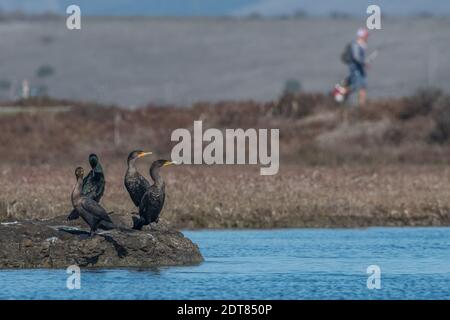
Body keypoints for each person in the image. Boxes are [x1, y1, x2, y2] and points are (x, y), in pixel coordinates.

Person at [348, 27, 369, 106]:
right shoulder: (356, 45)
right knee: (356, 86)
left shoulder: (362, 44)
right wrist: (364, 63)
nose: (367, 37)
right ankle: (341, 97)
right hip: (356, 69)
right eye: (366, 35)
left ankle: (362, 105)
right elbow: (356, 57)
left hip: (360, 69)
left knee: (362, 87)